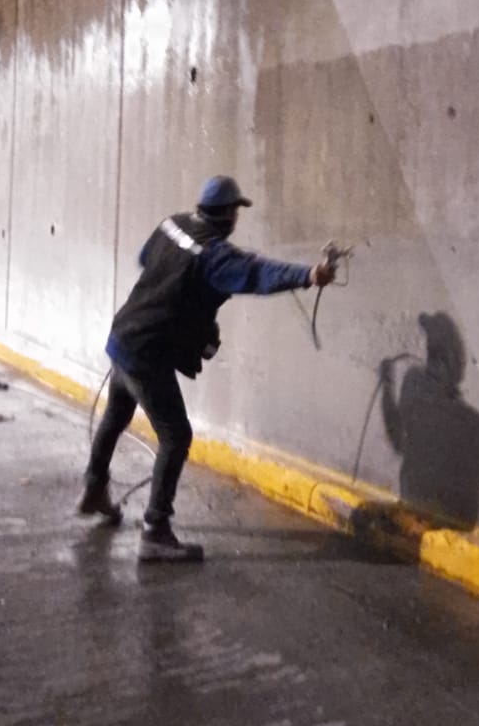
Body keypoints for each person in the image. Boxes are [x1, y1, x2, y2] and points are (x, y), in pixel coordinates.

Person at [77, 176, 337, 562]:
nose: (236, 218)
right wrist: (310, 275)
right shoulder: (217, 257)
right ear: (229, 214)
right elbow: (257, 274)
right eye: (236, 210)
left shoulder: (172, 224)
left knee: (116, 416)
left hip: (124, 336)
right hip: (148, 352)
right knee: (175, 436)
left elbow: (148, 260)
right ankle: (156, 531)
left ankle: (95, 488)